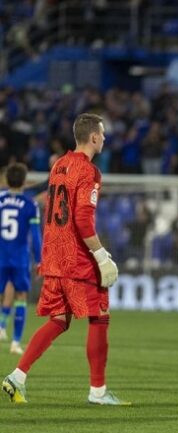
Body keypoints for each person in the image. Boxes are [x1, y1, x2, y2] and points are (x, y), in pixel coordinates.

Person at [2, 113, 127, 405]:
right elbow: (83, 218)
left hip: (54, 255)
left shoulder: (59, 164)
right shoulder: (90, 171)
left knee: (59, 320)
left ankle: (17, 377)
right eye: (103, 134)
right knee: (99, 318)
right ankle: (98, 392)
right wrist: (100, 254)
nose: (105, 138)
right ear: (94, 137)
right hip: (76, 259)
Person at [0, 163, 42, 355]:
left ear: (6, 180)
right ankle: (16, 343)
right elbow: (35, 235)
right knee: (21, 297)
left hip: (1, 256)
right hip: (19, 259)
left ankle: (2, 326)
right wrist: (41, 259)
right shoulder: (30, 204)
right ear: (24, 182)